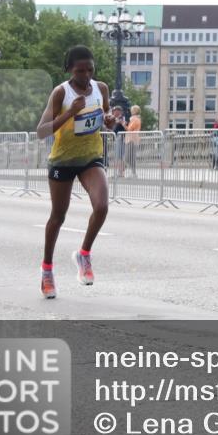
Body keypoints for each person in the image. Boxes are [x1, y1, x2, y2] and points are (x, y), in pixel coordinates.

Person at [35, 46, 116, 299]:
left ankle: (84, 254)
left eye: (90, 69)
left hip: (90, 156)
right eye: (80, 70)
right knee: (58, 217)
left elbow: (102, 115)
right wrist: (69, 112)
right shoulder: (61, 92)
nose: (85, 75)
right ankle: (47, 270)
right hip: (63, 160)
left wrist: (109, 120)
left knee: (101, 206)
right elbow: (41, 131)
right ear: (69, 69)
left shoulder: (101, 88)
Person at [124, 105, 141, 177]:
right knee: (130, 157)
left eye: (132, 110)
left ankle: (133, 173)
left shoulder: (135, 119)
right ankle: (133, 172)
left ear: (134, 111)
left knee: (129, 157)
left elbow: (129, 129)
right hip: (132, 139)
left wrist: (123, 124)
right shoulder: (135, 119)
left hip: (132, 140)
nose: (131, 111)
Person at [110, 105, 126, 177]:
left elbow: (121, 123)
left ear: (119, 111)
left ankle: (120, 173)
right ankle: (120, 173)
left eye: (115, 111)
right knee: (118, 156)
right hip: (117, 138)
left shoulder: (121, 118)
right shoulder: (116, 118)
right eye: (113, 111)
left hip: (120, 138)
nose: (114, 112)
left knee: (119, 156)